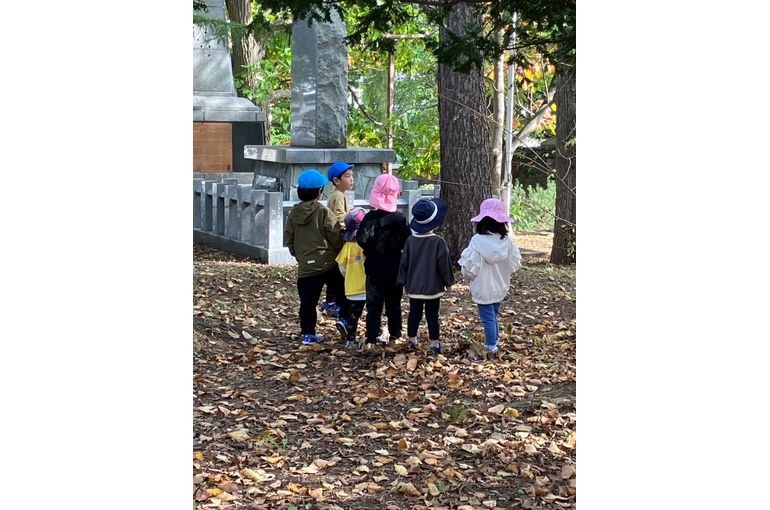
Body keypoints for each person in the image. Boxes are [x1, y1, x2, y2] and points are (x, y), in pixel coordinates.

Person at [284, 169, 350, 346]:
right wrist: (339, 251)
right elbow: (334, 234)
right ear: (320, 192)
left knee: (307, 302)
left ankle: (308, 334)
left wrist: (299, 255)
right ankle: (345, 320)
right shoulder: (323, 211)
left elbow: (289, 238)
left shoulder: (294, 213)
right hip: (328, 262)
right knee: (342, 292)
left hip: (306, 267)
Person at [457, 198, 522, 356]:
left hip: (483, 286)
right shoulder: (506, 241)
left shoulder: (477, 241)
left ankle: (491, 345)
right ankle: (495, 340)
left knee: (488, 318)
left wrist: (467, 275)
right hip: (500, 285)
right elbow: (513, 263)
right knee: (493, 315)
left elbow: (470, 266)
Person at [356, 173, 410, 346]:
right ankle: (395, 334)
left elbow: (361, 239)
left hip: (374, 267)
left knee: (374, 303)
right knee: (394, 303)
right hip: (395, 266)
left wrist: (370, 248)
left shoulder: (370, 218)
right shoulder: (400, 219)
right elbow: (407, 241)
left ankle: (371, 337)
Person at [397, 198, 455, 355]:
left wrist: (402, 281)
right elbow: (444, 264)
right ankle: (434, 343)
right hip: (433, 287)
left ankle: (412, 339)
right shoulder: (438, 242)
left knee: (414, 313)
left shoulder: (410, 240)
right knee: (432, 316)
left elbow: (404, 263)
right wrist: (448, 282)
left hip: (414, 286)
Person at [320, 161, 355, 318]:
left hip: (337, 238)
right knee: (338, 272)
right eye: (347, 176)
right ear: (336, 180)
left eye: (352, 176)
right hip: (338, 238)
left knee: (337, 271)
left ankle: (332, 300)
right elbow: (339, 216)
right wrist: (351, 222)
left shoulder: (339, 195)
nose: (351, 179)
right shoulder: (338, 196)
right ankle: (333, 302)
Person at [335, 207, 367, 349]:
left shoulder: (347, 247)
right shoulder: (365, 246)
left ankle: (350, 337)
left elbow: (341, 267)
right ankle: (370, 336)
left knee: (353, 314)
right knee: (370, 313)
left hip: (350, 287)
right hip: (366, 287)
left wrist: (348, 276)